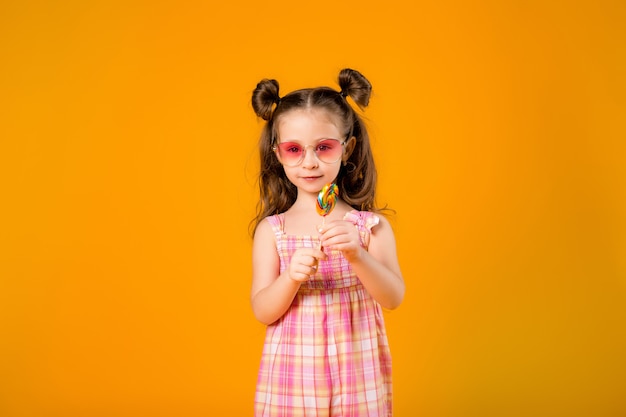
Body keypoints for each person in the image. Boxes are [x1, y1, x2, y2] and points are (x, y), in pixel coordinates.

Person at [250, 68, 405, 417]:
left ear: (347, 148)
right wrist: (290, 276)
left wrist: (358, 256)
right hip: (293, 378)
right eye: (294, 149)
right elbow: (262, 310)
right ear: (278, 154)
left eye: (324, 147)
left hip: (358, 375)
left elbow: (394, 297)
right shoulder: (273, 230)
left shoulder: (371, 227)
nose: (310, 162)